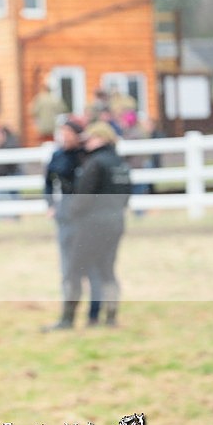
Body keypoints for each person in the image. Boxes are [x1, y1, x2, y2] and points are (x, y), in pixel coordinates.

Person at [65, 122, 131, 327]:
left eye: (90, 139)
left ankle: (67, 318)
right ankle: (110, 317)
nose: (87, 143)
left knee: (74, 270)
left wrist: (72, 212)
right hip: (116, 222)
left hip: (93, 224)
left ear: (101, 138)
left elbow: (84, 196)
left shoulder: (95, 163)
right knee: (107, 271)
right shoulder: (120, 164)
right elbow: (126, 196)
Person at [42, 120, 100, 330]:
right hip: (66, 217)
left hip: (85, 218)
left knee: (91, 268)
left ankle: (95, 314)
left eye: (68, 133)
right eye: (62, 133)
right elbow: (48, 182)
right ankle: (68, 316)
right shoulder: (58, 156)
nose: (64, 137)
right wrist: (50, 205)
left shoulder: (86, 156)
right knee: (68, 269)